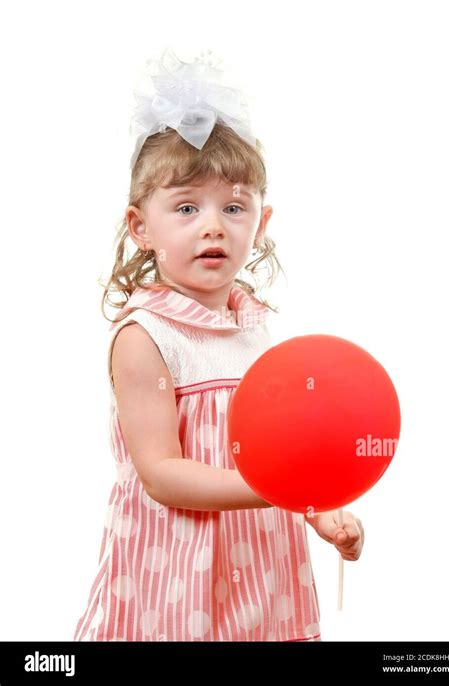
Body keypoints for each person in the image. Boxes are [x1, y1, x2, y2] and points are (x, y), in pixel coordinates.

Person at [73, 46, 364, 642]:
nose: (213, 225)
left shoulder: (252, 328)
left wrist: (320, 507)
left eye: (234, 207)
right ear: (140, 226)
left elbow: (284, 449)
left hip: (261, 565)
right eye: (186, 207)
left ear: (260, 224)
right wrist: (273, 488)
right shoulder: (145, 337)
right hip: (178, 568)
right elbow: (160, 472)